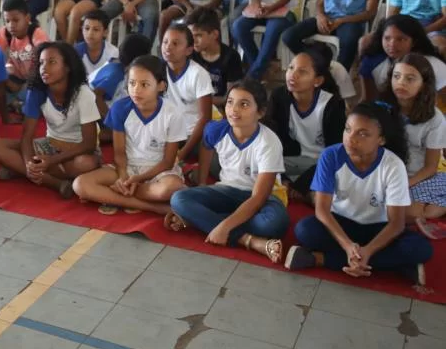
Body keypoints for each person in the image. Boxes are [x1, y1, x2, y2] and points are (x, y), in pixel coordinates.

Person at [286, 103, 432, 285]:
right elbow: (322, 210)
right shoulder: (331, 156)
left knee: (421, 248)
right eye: (348, 129)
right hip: (340, 223)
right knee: (305, 230)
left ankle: (320, 259)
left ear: (381, 139)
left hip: (378, 228)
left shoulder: (393, 165)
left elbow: (396, 223)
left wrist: (367, 251)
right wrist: (348, 246)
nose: (351, 139)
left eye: (363, 134)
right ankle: (395, 265)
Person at [166, 80, 289, 264]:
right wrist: (201, 183)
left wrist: (224, 226)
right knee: (179, 199)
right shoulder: (217, 130)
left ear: (260, 112)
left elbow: (257, 198)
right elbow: (206, 147)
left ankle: (199, 220)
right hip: (226, 191)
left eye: (244, 104)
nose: (234, 110)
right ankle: (250, 241)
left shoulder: (269, 143)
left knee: (274, 223)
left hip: (262, 198)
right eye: (230, 102)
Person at [73, 55, 187, 215]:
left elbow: (168, 162)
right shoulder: (120, 108)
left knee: (170, 189)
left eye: (144, 84)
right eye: (132, 83)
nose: (136, 90)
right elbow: (119, 153)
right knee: (80, 184)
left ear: (161, 86)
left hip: (158, 171)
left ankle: (116, 194)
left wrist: (137, 180)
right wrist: (123, 177)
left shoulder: (173, 114)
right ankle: (153, 207)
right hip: (127, 167)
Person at [0, 42, 101, 198]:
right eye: (41, 63)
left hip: (77, 150)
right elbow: (27, 137)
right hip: (50, 144)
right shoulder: (36, 91)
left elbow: (89, 144)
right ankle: (53, 182)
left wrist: (52, 160)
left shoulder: (83, 93)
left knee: (86, 164)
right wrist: (30, 164)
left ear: (67, 67)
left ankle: (19, 169)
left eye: (52, 62)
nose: (44, 68)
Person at [379, 54, 446, 231]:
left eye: (410, 79)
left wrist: (403, 184)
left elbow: (431, 167)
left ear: (424, 84)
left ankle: (424, 208)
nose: (401, 83)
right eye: (397, 76)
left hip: (420, 176)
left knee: (405, 212)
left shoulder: (435, 118)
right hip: (386, 173)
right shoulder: (382, 107)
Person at [269, 49, 347, 202]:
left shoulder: (332, 105)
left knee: (327, 199)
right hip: (291, 161)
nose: (293, 75)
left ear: (317, 80)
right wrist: (282, 177)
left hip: (322, 165)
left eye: (302, 72)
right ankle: (290, 187)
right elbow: (271, 140)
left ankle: (306, 192)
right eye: (291, 68)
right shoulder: (279, 96)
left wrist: (301, 184)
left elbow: (336, 153)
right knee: (252, 166)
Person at [359, 15, 446, 101]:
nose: (392, 45)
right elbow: (368, 99)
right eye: (387, 38)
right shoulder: (372, 61)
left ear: (414, 42)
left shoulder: (433, 64)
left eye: (401, 39)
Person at [161, 24, 214, 162]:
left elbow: (205, 118)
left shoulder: (198, 74)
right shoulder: (158, 70)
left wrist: (182, 153)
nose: (168, 47)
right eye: (165, 42)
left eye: (175, 43)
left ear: (189, 50)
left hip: (192, 136)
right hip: (166, 133)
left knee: (214, 162)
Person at [186, 6, 244, 107]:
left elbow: (230, 98)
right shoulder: (189, 53)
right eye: (191, 35)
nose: (193, 41)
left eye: (199, 35)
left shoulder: (231, 57)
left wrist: (201, 100)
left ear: (214, 34)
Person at [0, 0, 50, 99]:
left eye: (16, 20)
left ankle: (18, 102)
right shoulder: (5, 33)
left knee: (30, 93)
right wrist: (5, 76)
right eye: (7, 21)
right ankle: (16, 102)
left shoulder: (37, 34)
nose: (11, 25)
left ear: (27, 18)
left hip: (36, 78)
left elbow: (44, 62)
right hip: (15, 77)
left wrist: (26, 85)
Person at [75, 10, 118, 76]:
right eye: (87, 28)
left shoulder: (113, 53)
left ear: (105, 32)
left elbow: (111, 79)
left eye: (96, 29)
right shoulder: (76, 51)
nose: (90, 33)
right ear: (82, 29)